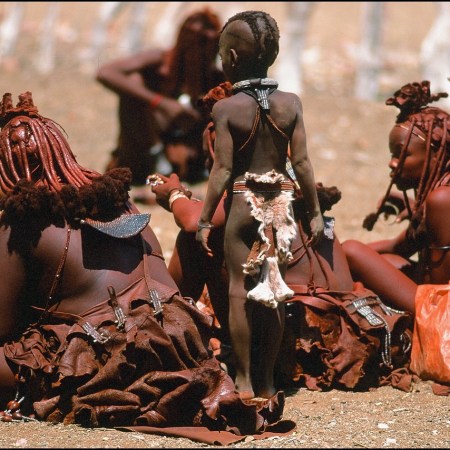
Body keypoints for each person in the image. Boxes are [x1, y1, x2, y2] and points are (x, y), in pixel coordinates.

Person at [0, 91, 295, 442]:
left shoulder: (23, 220)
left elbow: (5, 327)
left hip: (112, 362)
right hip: (180, 346)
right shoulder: (115, 198)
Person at [194, 10, 324, 401]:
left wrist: (204, 219)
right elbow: (302, 163)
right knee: (274, 288)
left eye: (222, 54)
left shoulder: (226, 109)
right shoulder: (291, 104)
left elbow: (222, 170)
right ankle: (268, 380)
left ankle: (244, 379)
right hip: (280, 206)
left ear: (232, 58)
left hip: (242, 202)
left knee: (240, 290)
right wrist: (315, 212)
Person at [342, 80, 450, 314]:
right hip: (433, 299)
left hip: (439, 313)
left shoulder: (442, 200)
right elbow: (397, 247)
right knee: (389, 259)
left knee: (352, 250)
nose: (392, 163)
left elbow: (441, 295)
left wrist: (340, 255)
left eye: (402, 154)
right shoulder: (439, 194)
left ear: (434, 154)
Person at [96, 8, 225, 186]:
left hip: (185, 152)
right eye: (191, 41)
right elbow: (106, 72)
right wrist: (161, 103)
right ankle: (154, 158)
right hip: (146, 147)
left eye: (204, 43)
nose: (196, 49)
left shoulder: (215, 77)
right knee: (133, 82)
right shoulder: (162, 62)